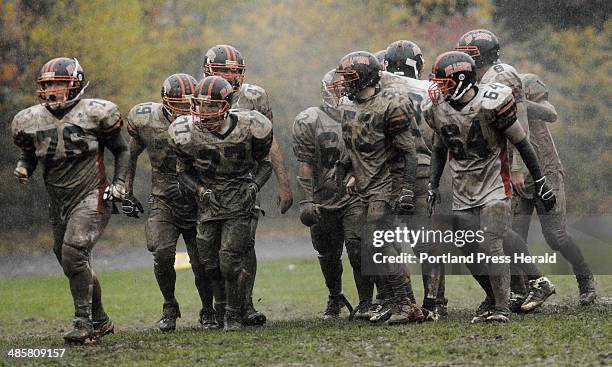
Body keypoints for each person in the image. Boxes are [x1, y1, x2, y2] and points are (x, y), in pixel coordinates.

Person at [424, 51, 557, 322]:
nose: (438, 89)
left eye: (444, 83)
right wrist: (432, 185)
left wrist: (540, 180)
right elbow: (439, 150)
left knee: (491, 239)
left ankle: (501, 307)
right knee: (467, 247)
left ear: (462, 80)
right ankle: (504, 293)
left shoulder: (492, 101)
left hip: (496, 182)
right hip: (464, 188)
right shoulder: (437, 110)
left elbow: (522, 142)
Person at [11, 57, 129, 343]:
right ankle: (100, 320)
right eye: (47, 84)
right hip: (59, 200)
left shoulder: (95, 113)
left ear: (76, 86)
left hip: (92, 193)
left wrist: (121, 183)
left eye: (59, 84)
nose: (52, 90)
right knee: (70, 260)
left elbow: (122, 150)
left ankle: (83, 323)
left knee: (74, 253)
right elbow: (31, 152)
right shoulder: (29, 120)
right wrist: (25, 166)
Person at [169, 76, 273, 331]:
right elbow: (182, 171)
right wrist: (201, 190)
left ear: (226, 105)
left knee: (230, 260)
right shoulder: (186, 132)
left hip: (239, 199)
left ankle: (234, 314)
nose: (203, 112)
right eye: (199, 105)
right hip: (210, 202)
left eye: (210, 106)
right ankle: (220, 308)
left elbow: (265, 164)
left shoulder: (251, 125)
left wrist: (254, 185)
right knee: (209, 263)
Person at [203, 45, 292, 325]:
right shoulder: (200, 93)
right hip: (206, 182)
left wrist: (283, 183)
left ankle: (245, 304)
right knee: (208, 250)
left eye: (235, 71)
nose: (230, 77)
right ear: (208, 71)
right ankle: (216, 307)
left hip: (245, 181)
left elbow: (269, 142)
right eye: (223, 71)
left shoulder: (254, 96)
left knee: (244, 244)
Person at [333, 51, 424, 324]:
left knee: (378, 244)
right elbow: (354, 147)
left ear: (364, 78)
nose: (344, 83)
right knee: (365, 247)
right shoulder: (349, 107)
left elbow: (409, 152)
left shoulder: (391, 104)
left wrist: (407, 189)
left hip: (388, 182)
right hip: (364, 184)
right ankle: (396, 302)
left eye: (349, 78)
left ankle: (405, 304)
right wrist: (347, 170)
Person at [124, 73, 220, 331]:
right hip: (164, 198)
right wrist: (126, 190)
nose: (184, 111)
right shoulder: (147, 121)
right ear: (165, 101)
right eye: (178, 104)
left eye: (189, 104)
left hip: (197, 198)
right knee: (162, 253)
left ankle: (208, 309)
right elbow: (130, 154)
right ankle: (169, 305)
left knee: (202, 262)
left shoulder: (205, 120)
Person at [512, 73, 596, 306]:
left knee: (555, 237)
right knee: (514, 239)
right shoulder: (489, 94)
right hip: (519, 177)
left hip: (547, 173)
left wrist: (517, 102)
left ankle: (584, 277)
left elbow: (550, 113)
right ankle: (523, 290)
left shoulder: (524, 83)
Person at [292, 69, 370, 319]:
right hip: (323, 194)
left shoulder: (364, 114)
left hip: (355, 193)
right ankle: (335, 297)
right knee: (327, 253)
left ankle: (366, 302)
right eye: (337, 88)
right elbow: (304, 162)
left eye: (346, 87)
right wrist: (306, 199)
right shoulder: (310, 119)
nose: (342, 93)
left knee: (357, 247)